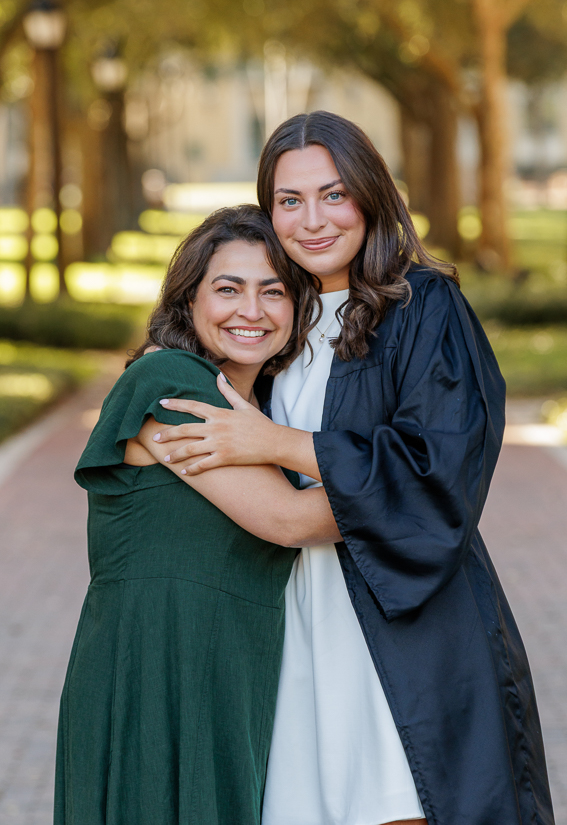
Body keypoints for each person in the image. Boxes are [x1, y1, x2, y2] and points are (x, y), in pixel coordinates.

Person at [150, 112, 555, 825]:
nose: (312, 220)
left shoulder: (421, 305)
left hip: (404, 625)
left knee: (400, 800)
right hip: (291, 627)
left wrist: (277, 444)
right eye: (289, 201)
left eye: (333, 195)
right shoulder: (279, 317)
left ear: (370, 196)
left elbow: (438, 466)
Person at [54, 205, 342, 825]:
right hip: (156, 674)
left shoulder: (259, 411)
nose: (252, 310)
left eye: (274, 291)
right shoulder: (171, 383)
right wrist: (422, 485)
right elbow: (290, 519)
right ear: (188, 301)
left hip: (226, 676)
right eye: (228, 288)